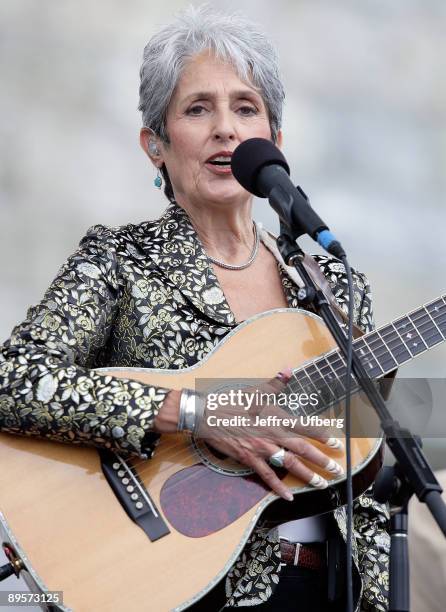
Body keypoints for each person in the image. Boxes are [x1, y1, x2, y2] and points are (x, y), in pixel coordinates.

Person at [0, 6, 389, 611]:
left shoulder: (330, 282)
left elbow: (371, 461)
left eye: (245, 108)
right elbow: (13, 378)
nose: (225, 130)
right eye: (197, 108)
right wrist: (198, 411)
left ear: (274, 143)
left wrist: (385, 403)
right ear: (155, 145)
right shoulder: (121, 259)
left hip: (330, 585)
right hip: (170, 580)